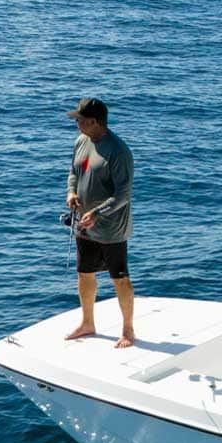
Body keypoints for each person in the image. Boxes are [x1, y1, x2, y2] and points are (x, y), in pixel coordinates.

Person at [63, 97, 136, 347]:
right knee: (84, 273)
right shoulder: (81, 142)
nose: (77, 123)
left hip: (111, 229)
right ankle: (87, 323)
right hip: (84, 226)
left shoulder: (118, 151)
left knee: (120, 278)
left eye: (80, 119)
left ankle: (127, 330)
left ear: (94, 121)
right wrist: (71, 193)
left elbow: (123, 195)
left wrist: (97, 213)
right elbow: (74, 172)